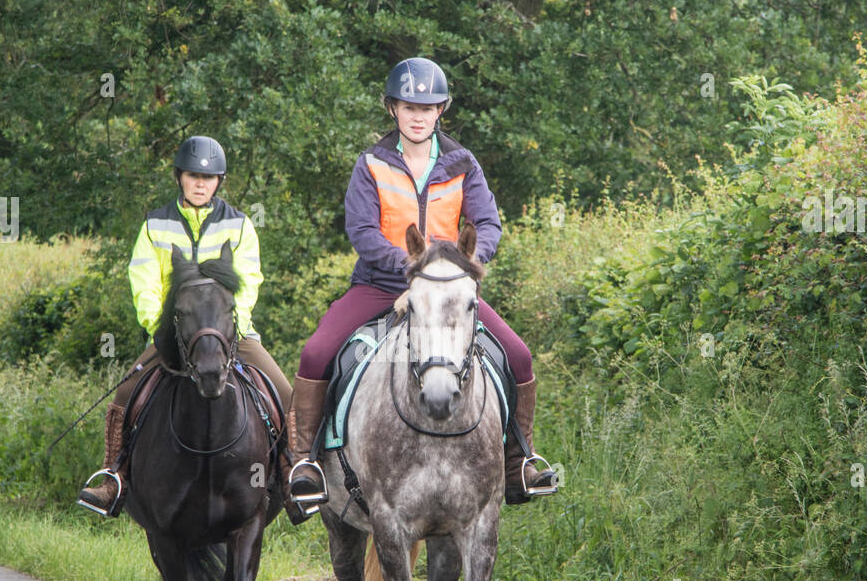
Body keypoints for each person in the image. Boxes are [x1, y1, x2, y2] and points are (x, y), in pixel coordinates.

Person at [287, 58, 558, 515]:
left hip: (446, 290)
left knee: (519, 355)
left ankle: (519, 461)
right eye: (409, 106)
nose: (418, 115)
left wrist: (464, 264)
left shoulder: (462, 162)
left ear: (441, 111)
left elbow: (488, 222)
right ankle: (305, 466)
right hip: (379, 284)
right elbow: (362, 230)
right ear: (392, 109)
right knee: (316, 353)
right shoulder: (370, 163)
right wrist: (409, 264)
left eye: (428, 107)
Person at [79, 135, 298, 518]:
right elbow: (144, 282)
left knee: (284, 392)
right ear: (180, 177)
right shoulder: (155, 225)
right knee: (126, 393)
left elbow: (248, 283)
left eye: (209, 177)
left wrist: (233, 328)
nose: (201, 183)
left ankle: (293, 472)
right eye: (194, 176)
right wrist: (159, 326)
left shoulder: (240, 225)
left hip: (230, 333)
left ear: (219, 182)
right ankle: (114, 476)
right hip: (174, 332)